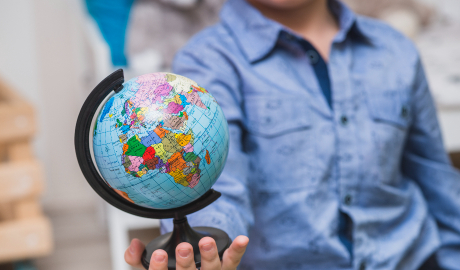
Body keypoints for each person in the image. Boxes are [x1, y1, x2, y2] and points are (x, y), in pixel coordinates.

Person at [124, 0, 460, 269]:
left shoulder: (395, 50)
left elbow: (437, 180)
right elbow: (216, 182)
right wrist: (207, 246)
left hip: (411, 258)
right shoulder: (207, 62)